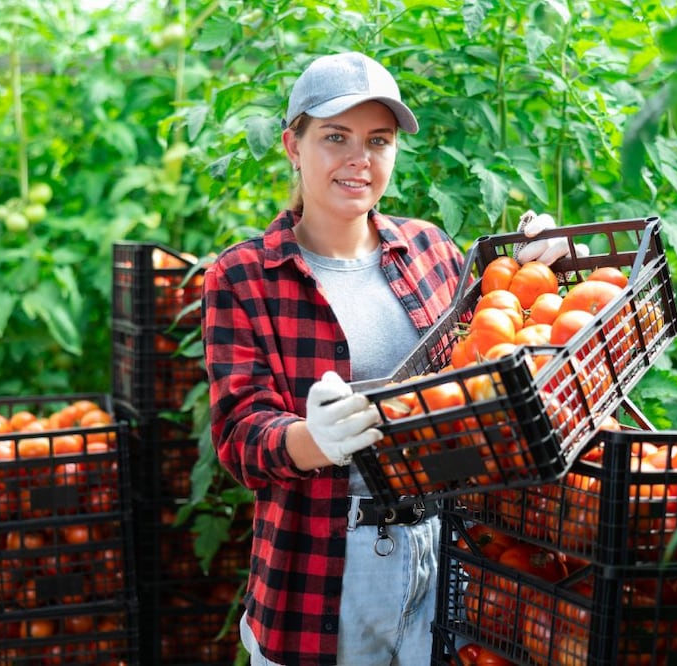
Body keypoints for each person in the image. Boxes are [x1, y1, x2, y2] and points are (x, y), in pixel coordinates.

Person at [202, 51, 575, 666]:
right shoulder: (245, 275)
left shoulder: (429, 249)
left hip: (448, 548)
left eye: (378, 140)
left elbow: (493, 353)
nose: (360, 159)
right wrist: (313, 439)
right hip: (327, 564)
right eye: (335, 137)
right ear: (293, 146)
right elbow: (240, 436)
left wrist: (536, 270)